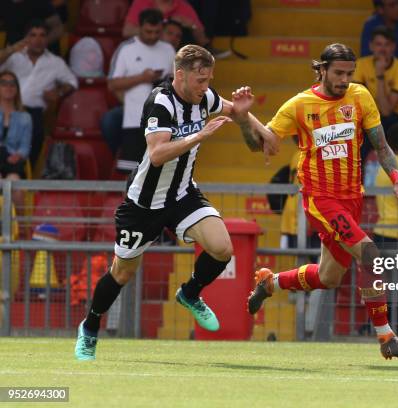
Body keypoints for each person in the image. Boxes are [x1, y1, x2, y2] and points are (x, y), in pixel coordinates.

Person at [74, 44, 276, 360]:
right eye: (200, 80)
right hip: (143, 204)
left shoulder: (203, 98)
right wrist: (198, 136)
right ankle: (90, 326)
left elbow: (235, 110)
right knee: (122, 272)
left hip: (182, 194)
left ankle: (190, 293)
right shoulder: (161, 103)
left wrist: (262, 128)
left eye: (209, 80)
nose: (206, 87)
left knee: (222, 248)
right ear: (180, 75)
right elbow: (156, 155)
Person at [247, 43, 398, 359]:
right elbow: (261, 143)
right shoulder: (299, 105)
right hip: (320, 199)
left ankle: (269, 283)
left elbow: (381, 147)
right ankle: (386, 338)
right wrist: (244, 118)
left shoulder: (360, 96)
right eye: (338, 73)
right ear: (322, 69)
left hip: (352, 198)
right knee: (369, 252)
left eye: (349, 73)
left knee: (328, 277)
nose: (344, 79)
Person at [0, 19, 77, 165]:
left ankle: (22, 173)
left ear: (47, 39)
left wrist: (59, 92)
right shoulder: (14, 57)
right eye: (33, 35)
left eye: (42, 35)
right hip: (6, 108)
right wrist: (10, 50)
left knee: (36, 133)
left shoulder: (55, 62)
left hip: (34, 112)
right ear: (26, 38)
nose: (37, 40)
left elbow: (72, 82)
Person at [109, 9, 175, 173]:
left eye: (157, 32)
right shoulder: (126, 49)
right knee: (131, 173)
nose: (152, 36)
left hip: (163, 122)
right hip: (134, 120)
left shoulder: (168, 50)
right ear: (139, 27)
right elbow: (112, 84)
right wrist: (142, 78)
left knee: (160, 172)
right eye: (148, 32)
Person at [354, 26, 398, 130]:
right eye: (378, 44)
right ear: (371, 46)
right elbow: (356, 101)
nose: (382, 49)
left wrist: (380, 76)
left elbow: (386, 111)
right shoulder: (361, 64)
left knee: (381, 123)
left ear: (393, 47)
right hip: (373, 116)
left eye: (387, 45)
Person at [123, 0, 230, 59]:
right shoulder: (142, 2)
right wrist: (160, 28)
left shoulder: (182, 5)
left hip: (177, 56)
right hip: (146, 52)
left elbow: (202, 40)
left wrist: (191, 25)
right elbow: (127, 31)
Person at [0, 71, 31, 209]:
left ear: (17, 89)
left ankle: (18, 228)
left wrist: (19, 154)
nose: (8, 87)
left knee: (14, 183)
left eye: (12, 84)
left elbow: (25, 146)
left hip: (12, 161)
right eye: (4, 83)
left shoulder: (25, 117)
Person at [0, 0, 64, 54]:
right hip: (15, 52)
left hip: (43, 54)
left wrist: (40, 43)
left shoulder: (41, 2)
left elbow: (58, 28)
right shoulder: (3, 3)